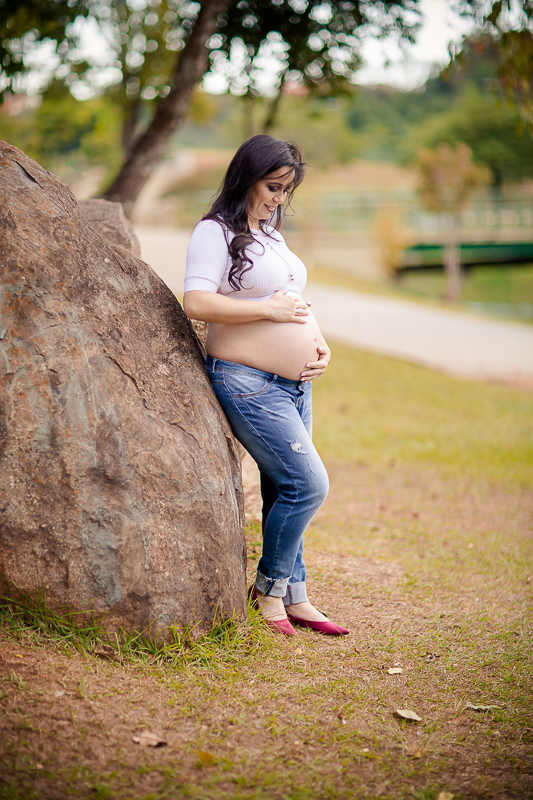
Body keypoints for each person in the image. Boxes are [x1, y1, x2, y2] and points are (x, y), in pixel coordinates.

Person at [183, 134, 348, 637]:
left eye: (286, 191)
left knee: (284, 485)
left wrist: (317, 345)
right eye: (273, 187)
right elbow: (196, 302)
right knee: (308, 484)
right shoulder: (214, 232)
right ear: (246, 177)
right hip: (248, 382)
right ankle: (269, 589)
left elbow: (291, 296)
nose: (278, 199)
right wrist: (269, 311)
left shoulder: (268, 229)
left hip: (296, 385)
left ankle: (297, 595)